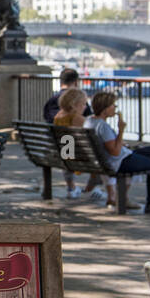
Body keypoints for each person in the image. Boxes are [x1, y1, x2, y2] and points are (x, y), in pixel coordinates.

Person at [43, 68, 103, 201]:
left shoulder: (53, 106)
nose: (83, 107)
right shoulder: (78, 112)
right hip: (76, 154)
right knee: (102, 153)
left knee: (67, 145)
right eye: (82, 105)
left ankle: (71, 187)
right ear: (76, 82)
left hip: (58, 150)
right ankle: (91, 188)